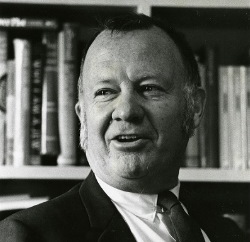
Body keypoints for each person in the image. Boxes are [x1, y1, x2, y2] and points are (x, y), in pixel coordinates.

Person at [0, 13, 246, 242]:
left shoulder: (227, 233)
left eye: (149, 88)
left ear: (194, 108)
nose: (126, 111)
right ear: (82, 116)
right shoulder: (28, 236)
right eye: (105, 92)